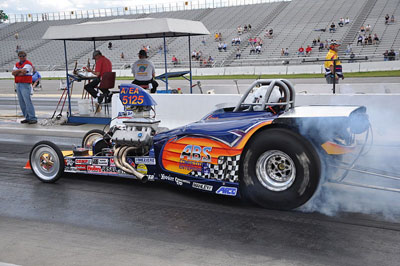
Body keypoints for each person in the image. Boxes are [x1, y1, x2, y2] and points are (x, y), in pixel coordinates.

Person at [12, 51, 37, 124]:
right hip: (18, 84)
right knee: (21, 102)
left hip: (25, 84)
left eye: (23, 56)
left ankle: (32, 117)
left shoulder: (28, 64)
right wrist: (20, 71)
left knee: (27, 101)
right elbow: (13, 73)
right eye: (20, 56)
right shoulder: (16, 64)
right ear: (18, 56)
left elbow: (23, 72)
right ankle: (27, 117)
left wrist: (17, 71)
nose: (22, 57)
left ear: (26, 56)